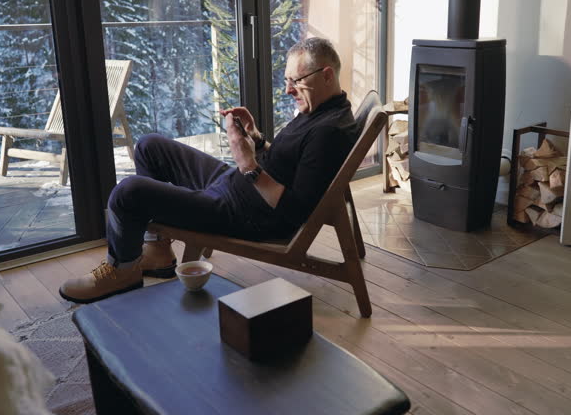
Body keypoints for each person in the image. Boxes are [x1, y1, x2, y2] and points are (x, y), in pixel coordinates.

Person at [59, 37, 358, 303]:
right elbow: (291, 163)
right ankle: (158, 251)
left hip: (247, 215)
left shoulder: (329, 132)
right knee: (150, 146)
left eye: (296, 81)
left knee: (127, 193)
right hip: (238, 185)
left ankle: (121, 270)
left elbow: (294, 212)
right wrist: (256, 139)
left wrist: (249, 166)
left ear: (327, 76)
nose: (288, 90)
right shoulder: (320, 109)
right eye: (286, 80)